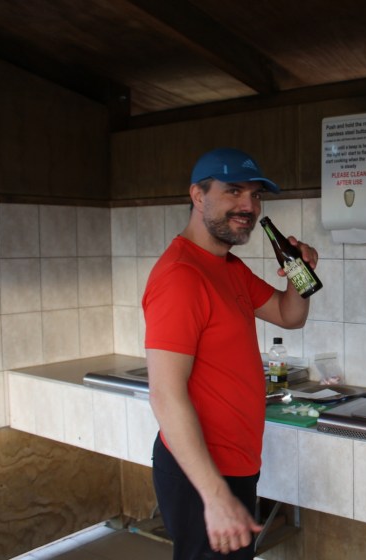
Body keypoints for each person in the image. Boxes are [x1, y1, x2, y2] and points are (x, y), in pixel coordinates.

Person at [143, 147, 318, 559]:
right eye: (234, 192)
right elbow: (165, 395)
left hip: (235, 463)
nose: (248, 206)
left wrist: (300, 273)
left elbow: (288, 315)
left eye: (255, 195)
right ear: (198, 196)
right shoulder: (181, 277)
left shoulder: (227, 267)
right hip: (203, 473)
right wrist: (215, 495)